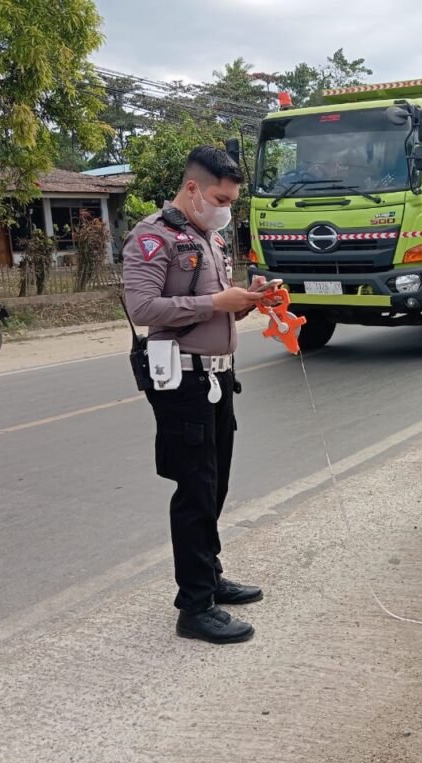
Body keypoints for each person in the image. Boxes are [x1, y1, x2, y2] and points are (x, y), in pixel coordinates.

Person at [124, 145, 273, 645]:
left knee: (217, 482)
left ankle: (209, 575)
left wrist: (248, 302)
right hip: (182, 382)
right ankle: (194, 607)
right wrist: (215, 301)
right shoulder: (153, 236)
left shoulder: (208, 238)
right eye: (219, 196)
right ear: (192, 188)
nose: (226, 207)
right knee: (194, 490)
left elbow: (216, 310)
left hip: (217, 378)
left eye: (231, 199)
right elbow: (143, 306)